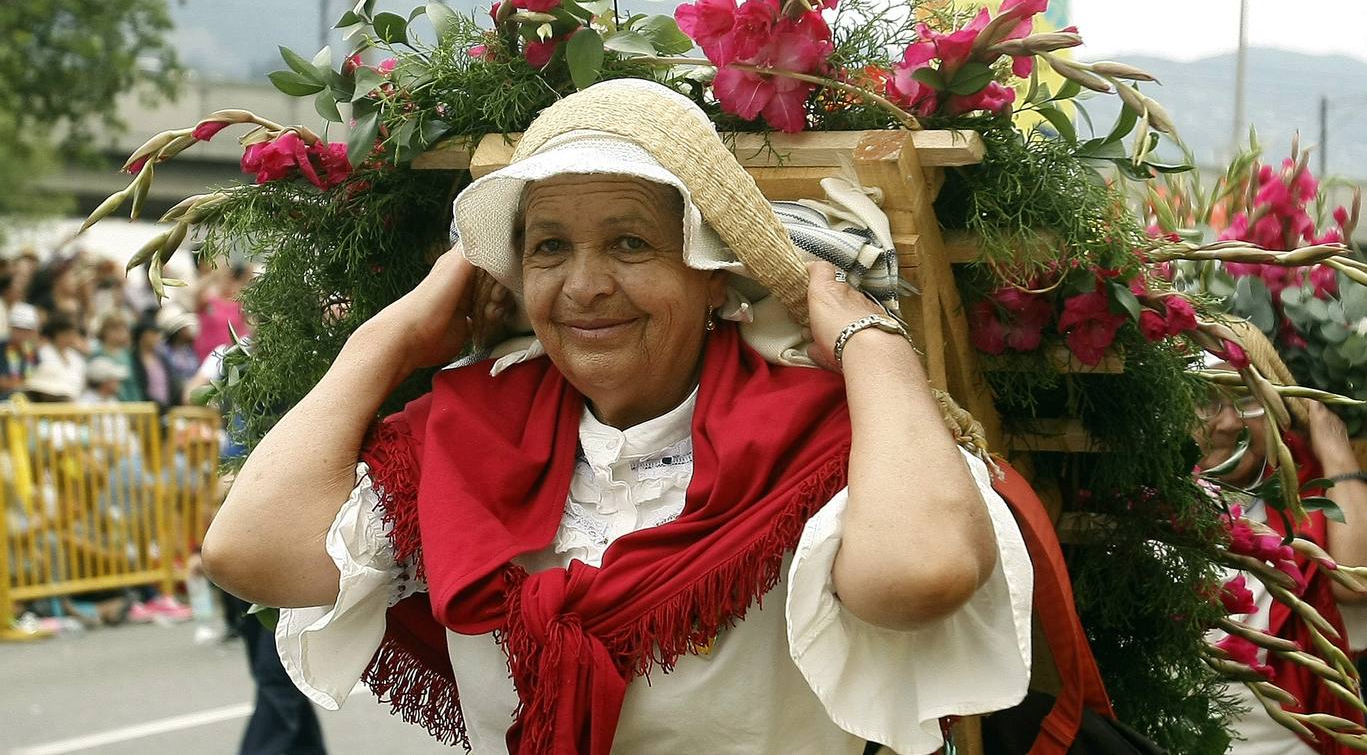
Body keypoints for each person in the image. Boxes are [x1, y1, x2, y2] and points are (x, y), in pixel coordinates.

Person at [203, 80, 1032, 754]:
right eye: (548, 248)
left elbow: (915, 577)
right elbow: (252, 553)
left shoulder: (824, 437)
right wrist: (392, 335)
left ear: (712, 274)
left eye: (630, 244)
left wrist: (868, 341)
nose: (585, 286)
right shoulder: (465, 429)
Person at [1196, 322, 1367, 754]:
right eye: (1207, 401)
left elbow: (1357, 580)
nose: (1229, 422)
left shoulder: (1309, 494)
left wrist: (1337, 455)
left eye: (1246, 399)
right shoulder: (1147, 498)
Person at [89, 309, 140, 402]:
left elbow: (133, 384)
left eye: (123, 328)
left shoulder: (128, 355)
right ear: (105, 330)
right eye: (115, 328)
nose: (120, 332)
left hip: (131, 404)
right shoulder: (96, 352)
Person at [33, 312, 86, 402]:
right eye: (67, 333)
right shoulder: (42, 353)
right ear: (56, 333)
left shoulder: (77, 358)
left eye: (73, 333)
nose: (71, 337)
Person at [0, 302, 42, 399]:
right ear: (11, 328)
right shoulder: (1, 348)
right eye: (18, 329)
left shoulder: (33, 352)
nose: (22, 334)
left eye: (27, 330)